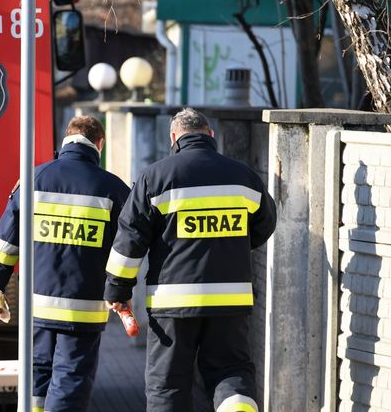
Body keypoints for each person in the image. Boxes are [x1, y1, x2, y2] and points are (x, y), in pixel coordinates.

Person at [104, 108, 277, 412]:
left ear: (174, 137)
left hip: (172, 303)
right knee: (230, 371)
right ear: (210, 135)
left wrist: (117, 290)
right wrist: (230, 246)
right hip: (230, 299)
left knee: (167, 383)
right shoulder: (243, 176)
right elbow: (265, 224)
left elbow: (130, 240)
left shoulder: (154, 177)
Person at [0, 116, 130, 412]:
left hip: (38, 305)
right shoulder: (114, 189)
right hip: (84, 309)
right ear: (99, 144)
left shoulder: (33, 180)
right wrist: (120, 292)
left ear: (65, 141)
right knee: (70, 379)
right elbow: (126, 250)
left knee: (38, 375)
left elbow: (5, 243)